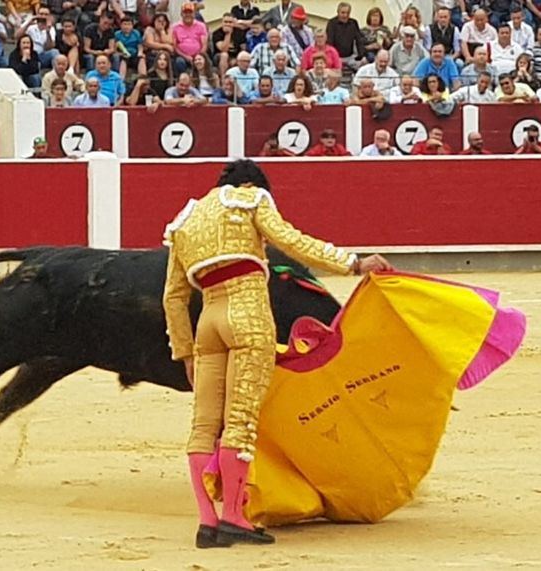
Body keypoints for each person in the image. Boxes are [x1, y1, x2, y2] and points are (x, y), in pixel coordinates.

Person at [162, 159, 391, 547]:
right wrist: (352, 263)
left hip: (207, 324)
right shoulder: (251, 199)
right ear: (252, 183)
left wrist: (186, 352)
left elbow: (173, 297)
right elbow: (292, 241)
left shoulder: (185, 221)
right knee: (240, 421)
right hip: (247, 312)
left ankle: (207, 523)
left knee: (203, 426)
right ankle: (234, 517)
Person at [326, 2, 365, 72]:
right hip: (336, 58)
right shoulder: (332, 23)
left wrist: (361, 56)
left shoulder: (353, 23)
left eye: (347, 13)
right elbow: (329, 42)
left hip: (351, 57)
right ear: (338, 12)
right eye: (343, 13)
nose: (345, 15)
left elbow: (359, 40)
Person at [18, 5, 60, 69]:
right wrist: (28, 24)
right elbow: (17, 36)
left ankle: (56, 74)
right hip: (29, 55)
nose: (43, 16)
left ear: (49, 16)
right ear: (37, 14)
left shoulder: (51, 28)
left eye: (46, 14)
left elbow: (49, 47)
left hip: (42, 55)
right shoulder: (29, 24)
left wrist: (47, 32)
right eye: (41, 14)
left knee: (55, 52)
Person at [172, 2, 208, 74]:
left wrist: (197, 57)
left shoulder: (201, 26)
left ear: (194, 14)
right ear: (181, 14)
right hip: (182, 56)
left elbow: (204, 45)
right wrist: (186, 56)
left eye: (190, 12)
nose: (188, 15)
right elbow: (175, 47)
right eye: (185, 12)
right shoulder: (175, 27)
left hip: (199, 54)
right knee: (179, 62)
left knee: (204, 61)